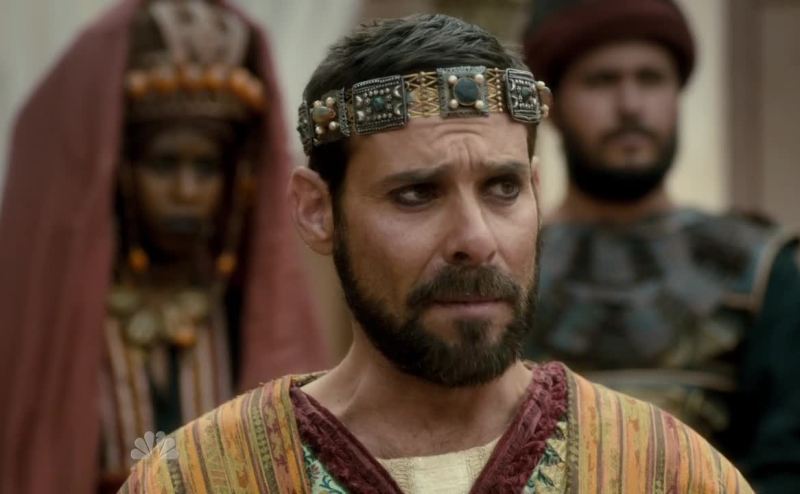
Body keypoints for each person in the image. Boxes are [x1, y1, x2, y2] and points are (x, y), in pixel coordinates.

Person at [120, 14, 752, 493]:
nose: (475, 240)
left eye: (502, 189)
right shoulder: (203, 478)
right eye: (416, 194)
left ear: (537, 191)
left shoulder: (662, 471)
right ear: (317, 211)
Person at [0, 1, 327, 492]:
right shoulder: (67, 318)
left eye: (206, 168)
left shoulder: (245, 313)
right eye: (164, 165)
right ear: (121, 170)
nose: (186, 190)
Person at [521, 0, 800, 491]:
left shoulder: (760, 270)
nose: (630, 105)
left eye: (650, 79)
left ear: (676, 94)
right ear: (553, 106)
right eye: (601, 81)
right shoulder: (505, 264)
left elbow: (787, 464)